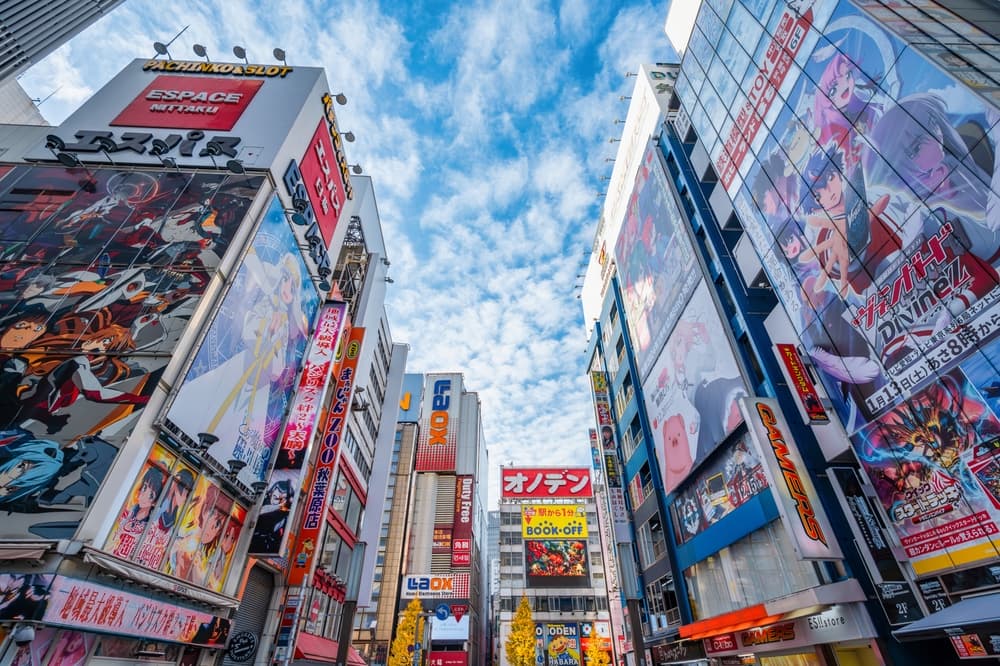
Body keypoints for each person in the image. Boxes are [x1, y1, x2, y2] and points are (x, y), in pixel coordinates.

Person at [248, 480, 292, 554]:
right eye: (276, 498)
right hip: (251, 540)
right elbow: (262, 510)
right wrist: (280, 506)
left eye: (282, 499)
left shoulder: (284, 514)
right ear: (271, 494)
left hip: (268, 548)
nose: (278, 501)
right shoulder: (265, 502)